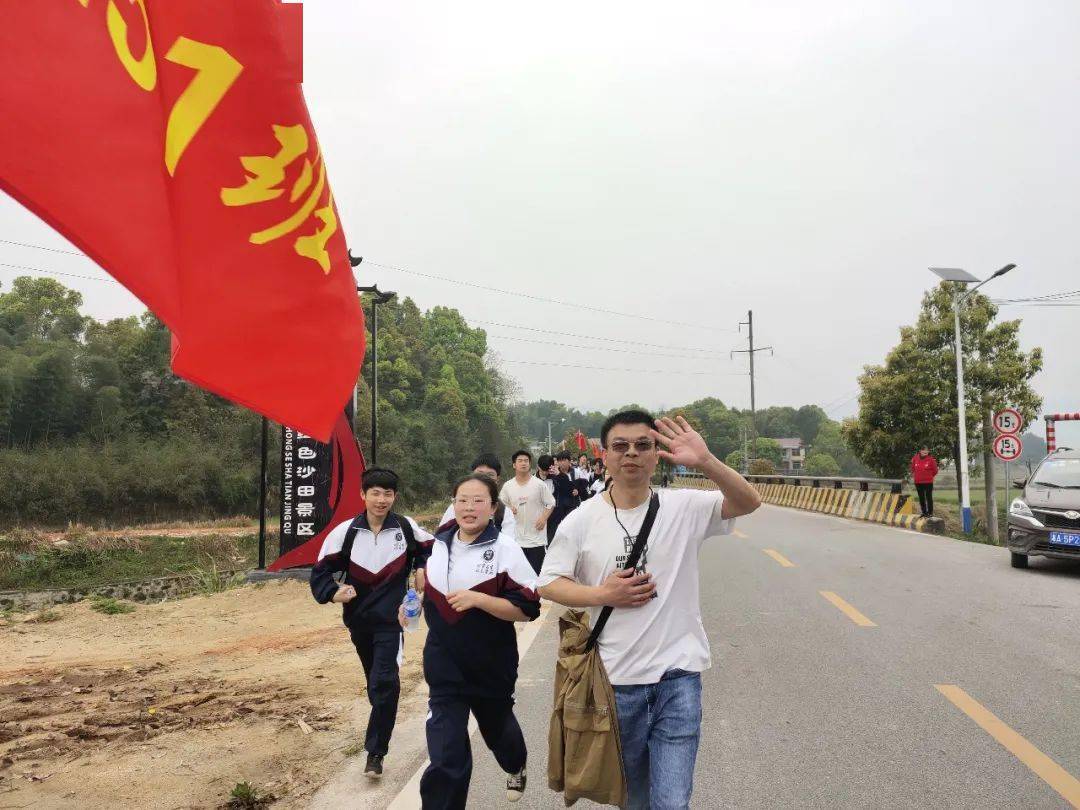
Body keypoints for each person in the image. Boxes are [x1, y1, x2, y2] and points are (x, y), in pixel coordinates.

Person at [538, 411, 762, 810]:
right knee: (636, 800)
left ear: (657, 455)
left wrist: (707, 461)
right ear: (604, 455)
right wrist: (603, 594)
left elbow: (748, 501)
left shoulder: (685, 507)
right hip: (615, 682)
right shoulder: (581, 520)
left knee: (672, 802)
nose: (632, 454)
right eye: (620, 446)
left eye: (644, 445)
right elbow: (549, 583)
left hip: (678, 678)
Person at [412, 474, 541, 809]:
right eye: (462, 500)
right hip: (444, 667)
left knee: (498, 731)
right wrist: (410, 602)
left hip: (490, 666)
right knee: (446, 756)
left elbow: (528, 610)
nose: (469, 508)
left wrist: (479, 600)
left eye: (478, 500)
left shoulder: (506, 551)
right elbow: (429, 590)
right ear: (452, 504)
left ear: (493, 507)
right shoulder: (438, 544)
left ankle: (516, 765)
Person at [309, 468, 435, 779]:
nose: (382, 500)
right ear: (363, 495)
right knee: (375, 681)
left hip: (393, 622)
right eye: (375, 493)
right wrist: (335, 593)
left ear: (395, 497)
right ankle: (382, 716)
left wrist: (422, 568)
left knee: (385, 682)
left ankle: (375, 752)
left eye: (388, 494)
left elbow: (432, 550)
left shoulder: (405, 528)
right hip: (359, 622)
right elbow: (320, 572)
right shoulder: (346, 533)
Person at [499, 450, 556, 574]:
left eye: (526, 461)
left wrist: (544, 518)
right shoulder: (508, 486)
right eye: (520, 461)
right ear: (514, 465)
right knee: (518, 576)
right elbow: (501, 503)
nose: (523, 463)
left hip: (537, 539)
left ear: (530, 464)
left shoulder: (539, 484)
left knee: (535, 575)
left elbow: (551, 503)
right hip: (516, 539)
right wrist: (509, 508)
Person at [439, 453, 517, 543]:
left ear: (497, 479)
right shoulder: (456, 506)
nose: (484, 478)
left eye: (490, 475)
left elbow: (508, 544)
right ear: (472, 475)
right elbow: (442, 537)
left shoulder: (504, 512)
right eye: (479, 474)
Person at [547, 451, 583, 543]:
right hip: (558, 504)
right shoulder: (553, 473)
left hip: (572, 504)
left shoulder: (576, 472)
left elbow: (583, 485)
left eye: (564, 460)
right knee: (556, 529)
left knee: (571, 528)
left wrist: (578, 490)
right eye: (559, 460)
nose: (561, 463)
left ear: (569, 461)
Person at [910, 444, 939, 517]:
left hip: (928, 482)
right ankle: (924, 512)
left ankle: (930, 513)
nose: (925, 454)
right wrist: (916, 475)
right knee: (921, 497)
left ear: (928, 452)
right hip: (918, 482)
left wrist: (929, 476)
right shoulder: (915, 458)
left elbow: (935, 470)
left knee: (928, 497)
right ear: (920, 451)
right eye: (924, 452)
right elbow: (912, 468)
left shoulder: (931, 460)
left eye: (927, 452)